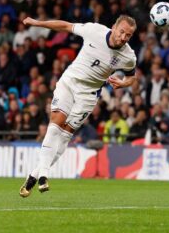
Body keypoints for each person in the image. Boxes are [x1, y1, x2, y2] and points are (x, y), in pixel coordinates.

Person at [19, 15, 137, 197]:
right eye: (122, 32)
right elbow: (65, 25)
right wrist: (38, 23)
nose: (123, 37)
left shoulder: (128, 56)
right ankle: (43, 176)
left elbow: (131, 77)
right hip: (69, 82)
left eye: (128, 35)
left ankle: (33, 175)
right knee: (55, 126)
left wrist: (123, 83)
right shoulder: (94, 31)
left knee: (65, 137)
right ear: (113, 27)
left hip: (88, 96)